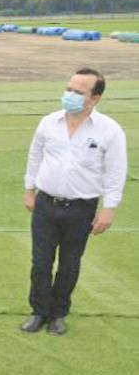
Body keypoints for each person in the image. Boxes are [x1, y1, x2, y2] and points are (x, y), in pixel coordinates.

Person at [21, 68, 127, 335]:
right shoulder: (49, 123)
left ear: (95, 98)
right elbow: (35, 156)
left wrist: (109, 209)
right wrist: (29, 190)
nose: (70, 95)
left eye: (78, 92)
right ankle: (39, 311)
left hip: (81, 208)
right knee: (41, 263)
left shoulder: (109, 130)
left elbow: (115, 172)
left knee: (69, 264)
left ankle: (58, 314)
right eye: (69, 89)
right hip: (46, 204)